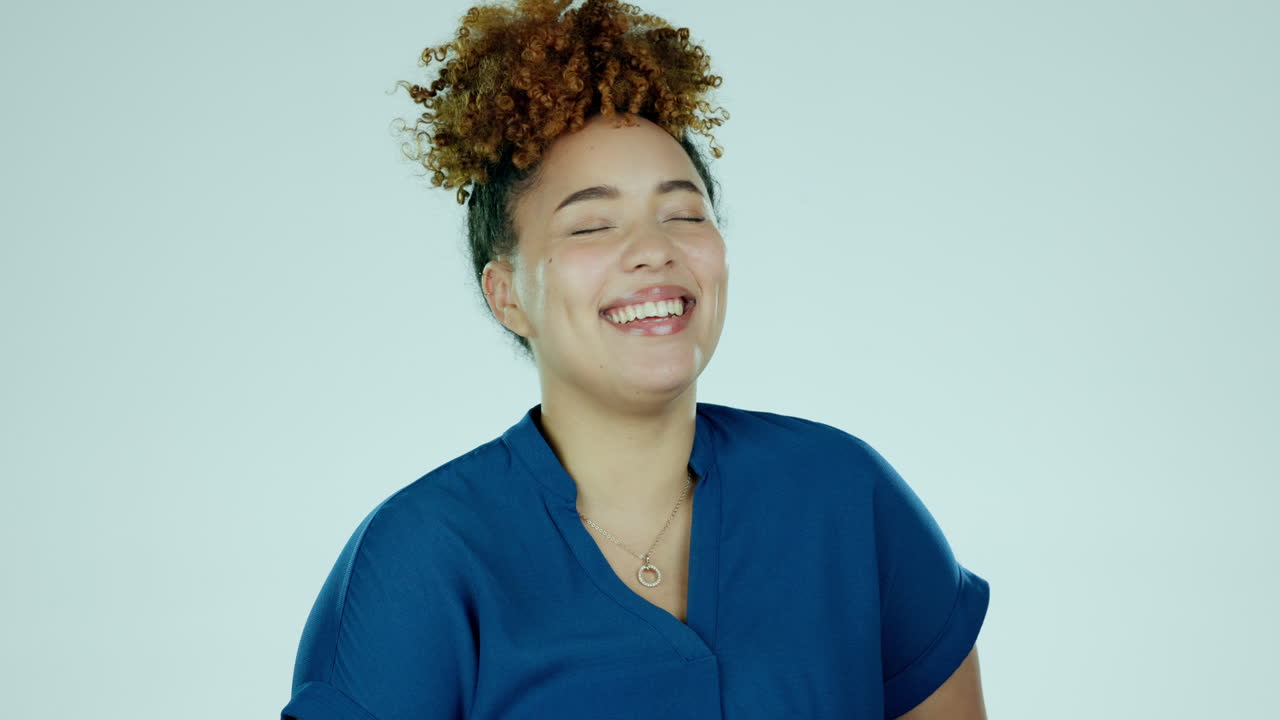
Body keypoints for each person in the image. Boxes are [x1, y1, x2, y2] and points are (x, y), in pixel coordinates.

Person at [281, 1, 991, 718]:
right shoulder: (420, 562)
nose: (655, 248)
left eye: (684, 213)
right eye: (592, 224)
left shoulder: (844, 496)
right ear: (507, 296)